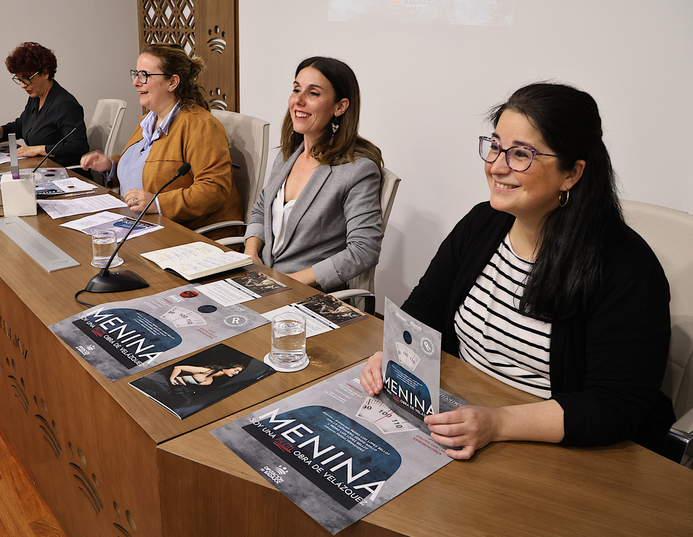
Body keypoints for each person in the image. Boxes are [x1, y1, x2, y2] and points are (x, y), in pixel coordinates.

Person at [360, 82, 675, 459]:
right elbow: (424, 311)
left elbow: (615, 406)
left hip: (561, 448)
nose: (496, 166)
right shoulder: (482, 224)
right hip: (466, 418)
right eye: (495, 146)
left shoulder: (626, 269)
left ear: (571, 173)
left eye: (521, 154)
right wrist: (391, 352)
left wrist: (498, 423)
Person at [243, 57, 384, 292]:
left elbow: (364, 249)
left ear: (340, 107)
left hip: (306, 293)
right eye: (296, 89)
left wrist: (292, 282)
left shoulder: (358, 170)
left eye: (313, 93)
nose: (298, 100)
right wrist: (251, 252)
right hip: (262, 280)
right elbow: (261, 208)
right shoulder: (288, 154)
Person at [81, 44, 242, 236]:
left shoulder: (201, 125)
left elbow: (213, 188)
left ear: (172, 82)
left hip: (185, 234)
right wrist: (111, 165)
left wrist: (157, 203)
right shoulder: (148, 120)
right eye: (136, 74)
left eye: (145, 76)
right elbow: (146, 166)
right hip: (141, 224)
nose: (136, 83)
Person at [0, 42, 89, 168]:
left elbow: (77, 147)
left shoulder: (65, 105)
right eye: (19, 79)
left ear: (45, 73)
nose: (23, 85)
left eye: (27, 79)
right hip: (40, 168)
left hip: (64, 174)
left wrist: (37, 149)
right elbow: (21, 126)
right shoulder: (36, 98)